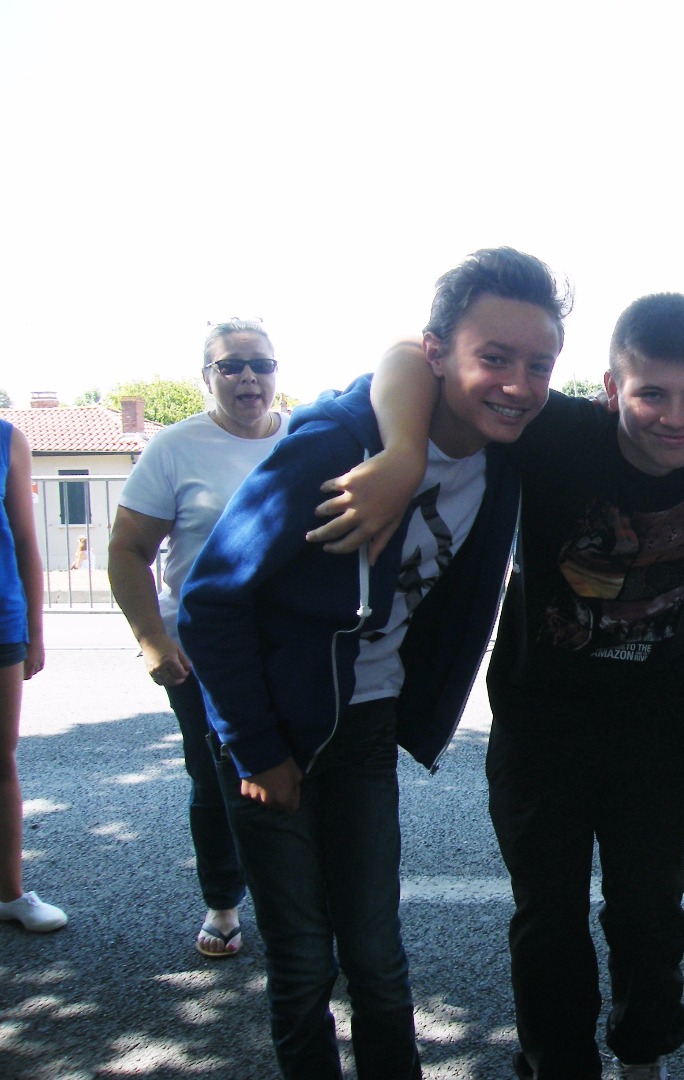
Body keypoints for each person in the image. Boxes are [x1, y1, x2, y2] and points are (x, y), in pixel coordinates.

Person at [316, 293, 684, 1079]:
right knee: (548, 915)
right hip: (541, 718)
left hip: (655, 722)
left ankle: (643, 1053)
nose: (675, 418)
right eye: (650, 394)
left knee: (650, 907)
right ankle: (559, 1065)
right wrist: (404, 454)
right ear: (611, 389)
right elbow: (414, 354)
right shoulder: (559, 432)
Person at [178, 246, 569, 1079]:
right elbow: (208, 603)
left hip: (365, 727)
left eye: (539, 365)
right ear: (439, 355)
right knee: (301, 965)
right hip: (273, 730)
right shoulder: (338, 445)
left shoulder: (504, 458)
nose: (518, 384)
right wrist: (257, 749)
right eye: (494, 358)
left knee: (379, 961)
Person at [109, 317, 288, 958]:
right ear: (206, 377)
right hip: (202, 651)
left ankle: (302, 906)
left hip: (292, 648)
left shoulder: (307, 437)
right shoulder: (176, 448)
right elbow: (128, 551)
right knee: (216, 778)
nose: (248, 377)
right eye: (230, 366)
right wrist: (153, 641)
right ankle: (224, 901)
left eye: (261, 364)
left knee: (301, 774)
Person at [0, 420, 68, 934]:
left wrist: (34, 632)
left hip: (1, 621)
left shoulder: (7, 439)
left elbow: (25, 541)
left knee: (1, 760)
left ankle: (10, 894)